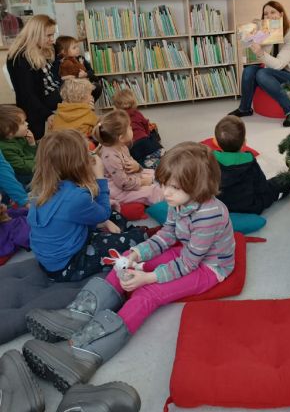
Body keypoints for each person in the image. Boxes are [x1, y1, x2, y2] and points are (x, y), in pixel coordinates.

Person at [23, 142, 236, 391]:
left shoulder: (209, 214)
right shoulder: (178, 201)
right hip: (188, 252)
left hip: (209, 267)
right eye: (163, 184)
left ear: (199, 185)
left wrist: (148, 278)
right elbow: (167, 235)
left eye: (174, 187)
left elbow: (189, 263)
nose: (165, 192)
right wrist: (137, 253)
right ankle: (77, 314)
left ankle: (83, 354)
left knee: (148, 293)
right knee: (124, 259)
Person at [26, 130, 146, 283]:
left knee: (111, 215)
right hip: (68, 266)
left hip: (53, 259)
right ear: (78, 163)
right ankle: (139, 233)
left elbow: (74, 213)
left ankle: (126, 231)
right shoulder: (76, 197)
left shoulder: (41, 190)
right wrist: (100, 177)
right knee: (134, 238)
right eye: (87, 153)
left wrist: (105, 221)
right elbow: (102, 213)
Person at [230, 0, 290, 127]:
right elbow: (265, 58)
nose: (269, 16)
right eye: (266, 14)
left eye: (273, 12)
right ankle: (244, 108)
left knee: (262, 74)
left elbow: (279, 64)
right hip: (274, 70)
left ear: (281, 14)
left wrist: (260, 52)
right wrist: (253, 37)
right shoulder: (268, 30)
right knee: (248, 70)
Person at [214, 115, 290, 214]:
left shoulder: (211, 160)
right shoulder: (249, 162)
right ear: (244, 142)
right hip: (251, 207)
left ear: (216, 142)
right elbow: (262, 187)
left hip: (222, 205)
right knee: (275, 185)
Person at [7, 14, 61, 139]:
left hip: (48, 94)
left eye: (53, 35)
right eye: (48, 35)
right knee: (81, 94)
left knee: (88, 88)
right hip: (37, 102)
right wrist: (47, 114)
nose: (52, 40)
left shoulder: (42, 48)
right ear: (35, 34)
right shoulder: (20, 58)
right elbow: (27, 95)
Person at [93, 109, 163, 206]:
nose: (131, 128)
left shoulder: (122, 146)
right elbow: (123, 184)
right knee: (152, 192)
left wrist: (137, 167)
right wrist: (143, 182)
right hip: (118, 189)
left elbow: (131, 164)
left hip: (128, 178)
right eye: (130, 127)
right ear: (121, 138)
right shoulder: (110, 156)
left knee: (155, 173)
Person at [112, 88, 163, 169]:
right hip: (146, 141)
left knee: (142, 165)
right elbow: (146, 126)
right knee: (159, 155)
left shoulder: (118, 118)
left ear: (115, 106)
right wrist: (147, 136)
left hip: (133, 146)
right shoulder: (137, 113)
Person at [54, 35, 102, 101]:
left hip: (82, 82)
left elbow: (91, 71)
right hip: (69, 87)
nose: (78, 49)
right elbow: (57, 77)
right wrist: (66, 77)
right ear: (63, 51)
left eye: (77, 47)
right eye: (74, 48)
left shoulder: (80, 58)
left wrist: (85, 74)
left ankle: (89, 104)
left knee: (96, 86)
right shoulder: (60, 62)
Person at [0, 104, 36, 188]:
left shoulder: (20, 137)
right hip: (19, 179)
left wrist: (31, 144)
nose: (27, 124)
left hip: (28, 169)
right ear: (9, 131)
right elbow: (24, 168)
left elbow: (29, 155)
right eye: (23, 123)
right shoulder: (5, 149)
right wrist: (40, 163)